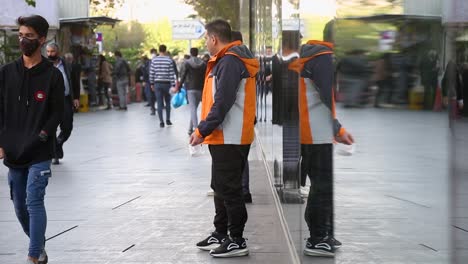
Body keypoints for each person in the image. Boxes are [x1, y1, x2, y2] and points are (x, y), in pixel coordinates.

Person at [190, 19, 259, 258]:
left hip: (230, 135)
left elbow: (223, 101)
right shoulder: (225, 60)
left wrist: (202, 130)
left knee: (230, 190)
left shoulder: (230, 61)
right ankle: (221, 233)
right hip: (224, 135)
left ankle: (236, 239)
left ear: (213, 38)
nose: (206, 43)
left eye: (206, 39)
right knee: (219, 186)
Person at [0, 15, 64, 264]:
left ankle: (33, 255)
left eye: (29, 36)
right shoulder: (6, 73)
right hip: (14, 151)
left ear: (42, 39)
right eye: (20, 35)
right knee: (19, 206)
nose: (23, 40)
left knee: (33, 199)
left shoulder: (52, 76)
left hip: (39, 150)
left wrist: (43, 135)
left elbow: (57, 112)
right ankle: (39, 243)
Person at [289, 40, 354, 257]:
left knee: (321, 184)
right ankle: (317, 238)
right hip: (316, 133)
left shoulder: (310, 57)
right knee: (322, 185)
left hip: (310, 130)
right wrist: (338, 128)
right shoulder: (323, 59)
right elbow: (327, 97)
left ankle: (322, 233)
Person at [45, 43, 79, 165]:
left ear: (58, 52)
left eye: (52, 51)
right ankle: (55, 154)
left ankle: (58, 143)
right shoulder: (44, 66)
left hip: (65, 99)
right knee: (52, 127)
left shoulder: (67, 65)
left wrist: (76, 98)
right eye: (48, 52)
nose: (50, 54)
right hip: (50, 101)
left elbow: (75, 81)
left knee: (67, 126)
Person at [175, 48, 206, 135]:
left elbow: (183, 75)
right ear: (197, 53)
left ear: (191, 53)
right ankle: (190, 128)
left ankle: (196, 129)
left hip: (190, 88)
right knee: (194, 108)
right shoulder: (203, 64)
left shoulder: (187, 63)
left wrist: (179, 86)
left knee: (193, 109)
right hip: (200, 88)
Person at [149, 45, 177, 127]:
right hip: (167, 84)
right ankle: (168, 120)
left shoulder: (154, 60)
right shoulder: (169, 60)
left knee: (159, 103)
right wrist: (173, 84)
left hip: (157, 84)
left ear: (159, 50)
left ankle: (161, 122)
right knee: (168, 102)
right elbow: (172, 73)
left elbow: (152, 73)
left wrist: (151, 83)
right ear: (165, 50)